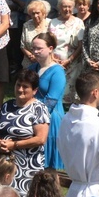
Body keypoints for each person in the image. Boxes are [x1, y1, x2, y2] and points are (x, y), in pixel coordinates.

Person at [0, 69, 49, 196]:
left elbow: (40, 139)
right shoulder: (6, 106)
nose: (20, 89)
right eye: (18, 85)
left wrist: (14, 145)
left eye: (25, 87)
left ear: (34, 90)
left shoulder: (39, 109)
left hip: (28, 168)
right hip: (4, 166)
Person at [28, 32, 66, 170]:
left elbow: (51, 100)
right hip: (31, 115)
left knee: (49, 168)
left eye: (39, 48)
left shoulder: (58, 72)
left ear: (50, 48)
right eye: (33, 48)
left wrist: (33, 118)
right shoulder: (32, 68)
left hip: (50, 119)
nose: (35, 51)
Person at [49, 0, 84, 104]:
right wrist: (53, 59)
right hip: (54, 62)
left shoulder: (79, 22)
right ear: (59, 7)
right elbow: (48, 43)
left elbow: (81, 45)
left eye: (69, 6)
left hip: (73, 64)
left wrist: (69, 60)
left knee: (72, 94)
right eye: (64, 6)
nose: (67, 9)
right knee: (56, 91)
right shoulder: (52, 22)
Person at [21, 0, 51, 69]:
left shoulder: (51, 24)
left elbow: (53, 44)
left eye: (38, 13)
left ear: (43, 13)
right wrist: (31, 56)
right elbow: (22, 46)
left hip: (46, 63)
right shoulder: (26, 25)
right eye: (33, 13)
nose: (35, 15)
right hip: (29, 63)